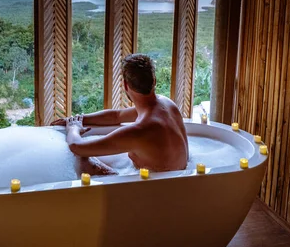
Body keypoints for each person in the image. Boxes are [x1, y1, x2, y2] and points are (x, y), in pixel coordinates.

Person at [51, 53, 189, 174]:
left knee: (83, 159)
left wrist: (73, 128)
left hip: (154, 189)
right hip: (178, 178)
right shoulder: (167, 104)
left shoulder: (138, 131)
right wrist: (79, 119)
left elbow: (76, 147)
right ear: (154, 81)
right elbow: (117, 116)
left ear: (125, 85)